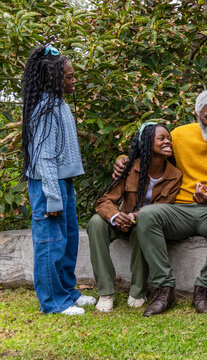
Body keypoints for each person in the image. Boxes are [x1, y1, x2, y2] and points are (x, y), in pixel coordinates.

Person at [114, 89, 207, 316]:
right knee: (147, 215)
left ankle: (203, 289)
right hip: (178, 210)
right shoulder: (179, 135)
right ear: (197, 115)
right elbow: (149, 152)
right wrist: (122, 160)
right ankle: (164, 289)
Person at [22, 45, 95, 315]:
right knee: (50, 242)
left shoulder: (58, 103)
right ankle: (53, 301)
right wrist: (53, 196)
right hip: (47, 185)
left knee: (68, 240)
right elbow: (44, 157)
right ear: (53, 78)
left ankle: (67, 292)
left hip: (63, 182)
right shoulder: (44, 108)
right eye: (70, 76)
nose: (74, 80)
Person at [87, 122, 182, 312]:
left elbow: (163, 207)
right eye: (161, 139)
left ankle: (138, 291)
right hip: (121, 220)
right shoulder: (130, 167)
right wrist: (115, 216)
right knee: (95, 222)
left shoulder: (175, 175)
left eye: (169, 139)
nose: (168, 142)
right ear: (147, 142)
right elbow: (104, 200)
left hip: (144, 224)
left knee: (144, 224)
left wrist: (134, 216)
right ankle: (106, 291)